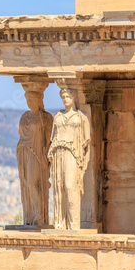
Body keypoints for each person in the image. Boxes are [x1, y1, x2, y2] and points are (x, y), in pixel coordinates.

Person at [48, 88, 90, 230]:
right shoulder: (58, 116)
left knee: (70, 186)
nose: (65, 98)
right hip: (58, 153)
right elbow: (53, 137)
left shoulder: (81, 117)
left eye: (68, 96)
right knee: (59, 187)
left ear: (74, 97)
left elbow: (86, 143)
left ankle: (74, 223)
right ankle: (60, 223)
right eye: (63, 96)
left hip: (73, 154)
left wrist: (84, 163)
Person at [16, 91, 53, 225]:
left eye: (32, 99)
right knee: (27, 184)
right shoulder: (24, 116)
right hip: (24, 153)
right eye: (28, 99)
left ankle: (40, 216)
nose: (29, 102)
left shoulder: (46, 118)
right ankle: (30, 216)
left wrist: (47, 157)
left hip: (37, 154)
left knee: (32, 183)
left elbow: (49, 139)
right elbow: (21, 135)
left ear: (39, 100)